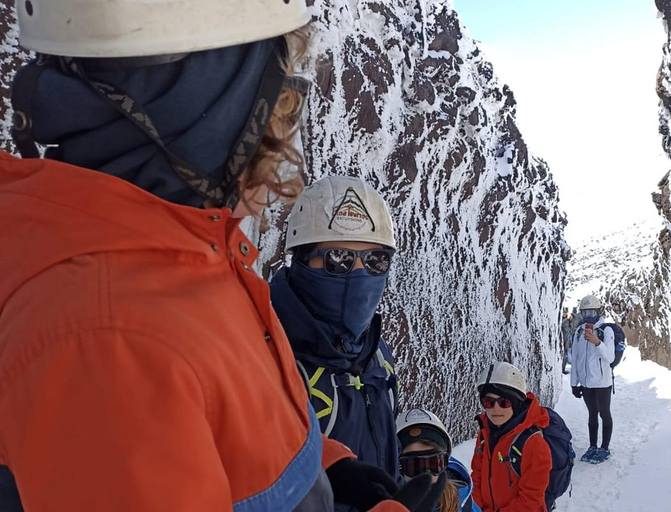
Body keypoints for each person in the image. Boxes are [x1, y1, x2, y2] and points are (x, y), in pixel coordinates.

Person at [0, 1, 445, 510]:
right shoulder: (111, 339)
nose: (282, 135)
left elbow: (234, 427)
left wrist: (323, 468)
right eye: (276, 97)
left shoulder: (191, 259)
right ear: (203, 104)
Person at [270, 176, 402, 500]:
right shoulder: (265, 354)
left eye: (375, 261)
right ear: (301, 260)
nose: (359, 275)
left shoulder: (377, 356)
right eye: (338, 260)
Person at [471, 363, 551, 512]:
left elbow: (531, 500)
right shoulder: (485, 433)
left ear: (515, 403)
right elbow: (477, 476)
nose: (496, 408)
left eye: (504, 402)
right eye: (489, 402)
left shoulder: (532, 443)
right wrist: (474, 508)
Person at [397, 409, 481, 512]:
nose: (426, 477)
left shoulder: (463, 504)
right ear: (398, 469)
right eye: (414, 466)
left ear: (444, 465)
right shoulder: (383, 506)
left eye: (433, 464)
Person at [570, 294, 615, 464]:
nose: (588, 315)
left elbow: (610, 357)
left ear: (598, 311)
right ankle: (592, 446)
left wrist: (597, 342)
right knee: (592, 414)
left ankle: (604, 448)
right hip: (587, 382)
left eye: (592, 311)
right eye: (585, 312)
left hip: (603, 382)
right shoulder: (578, 332)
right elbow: (575, 358)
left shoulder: (606, 330)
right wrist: (574, 384)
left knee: (604, 413)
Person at [560, 308, 573, 374]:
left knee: (566, 355)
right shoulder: (562, 320)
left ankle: (563, 368)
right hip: (563, 339)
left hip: (567, 340)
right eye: (563, 312)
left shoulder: (568, 321)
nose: (564, 313)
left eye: (565, 312)